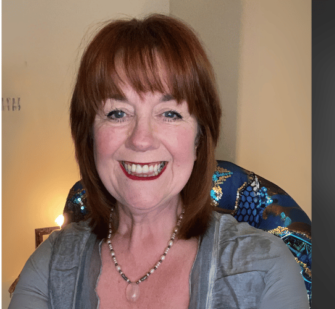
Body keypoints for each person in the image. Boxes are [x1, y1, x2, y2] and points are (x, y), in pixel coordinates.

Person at [9, 14, 309, 309]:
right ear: (88, 137)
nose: (141, 139)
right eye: (117, 113)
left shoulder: (266, 269)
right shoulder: (48, 267)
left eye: (170, 113)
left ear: (199, 140)